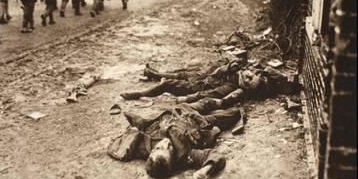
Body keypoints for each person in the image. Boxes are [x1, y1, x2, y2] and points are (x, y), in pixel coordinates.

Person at [108, 102, 244, 179]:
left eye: (159, 148)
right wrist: (205, 170)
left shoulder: (143, 149)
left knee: (205, 102)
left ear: (151, 154)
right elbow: (216, 156)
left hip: (178, 111)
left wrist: (134, 132)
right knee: (233, 112)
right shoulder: (186, 157)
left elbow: (116, 148)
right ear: (173, 159)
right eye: (169, 148)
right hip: (197, 122)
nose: (166, 143)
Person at [120, 60, 298, 101]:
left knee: (169, 84)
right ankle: (154, 74)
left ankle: (140, 94)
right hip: (203, 77)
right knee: (184, 72)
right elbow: (274, 75)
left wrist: (187, 99)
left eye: (249, 79)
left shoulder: (231, 86)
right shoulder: (244, 72)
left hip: (197, 85)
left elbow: (209, 93)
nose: (248, 74)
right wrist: (231, 65)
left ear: (246, 86)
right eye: (251, 74)